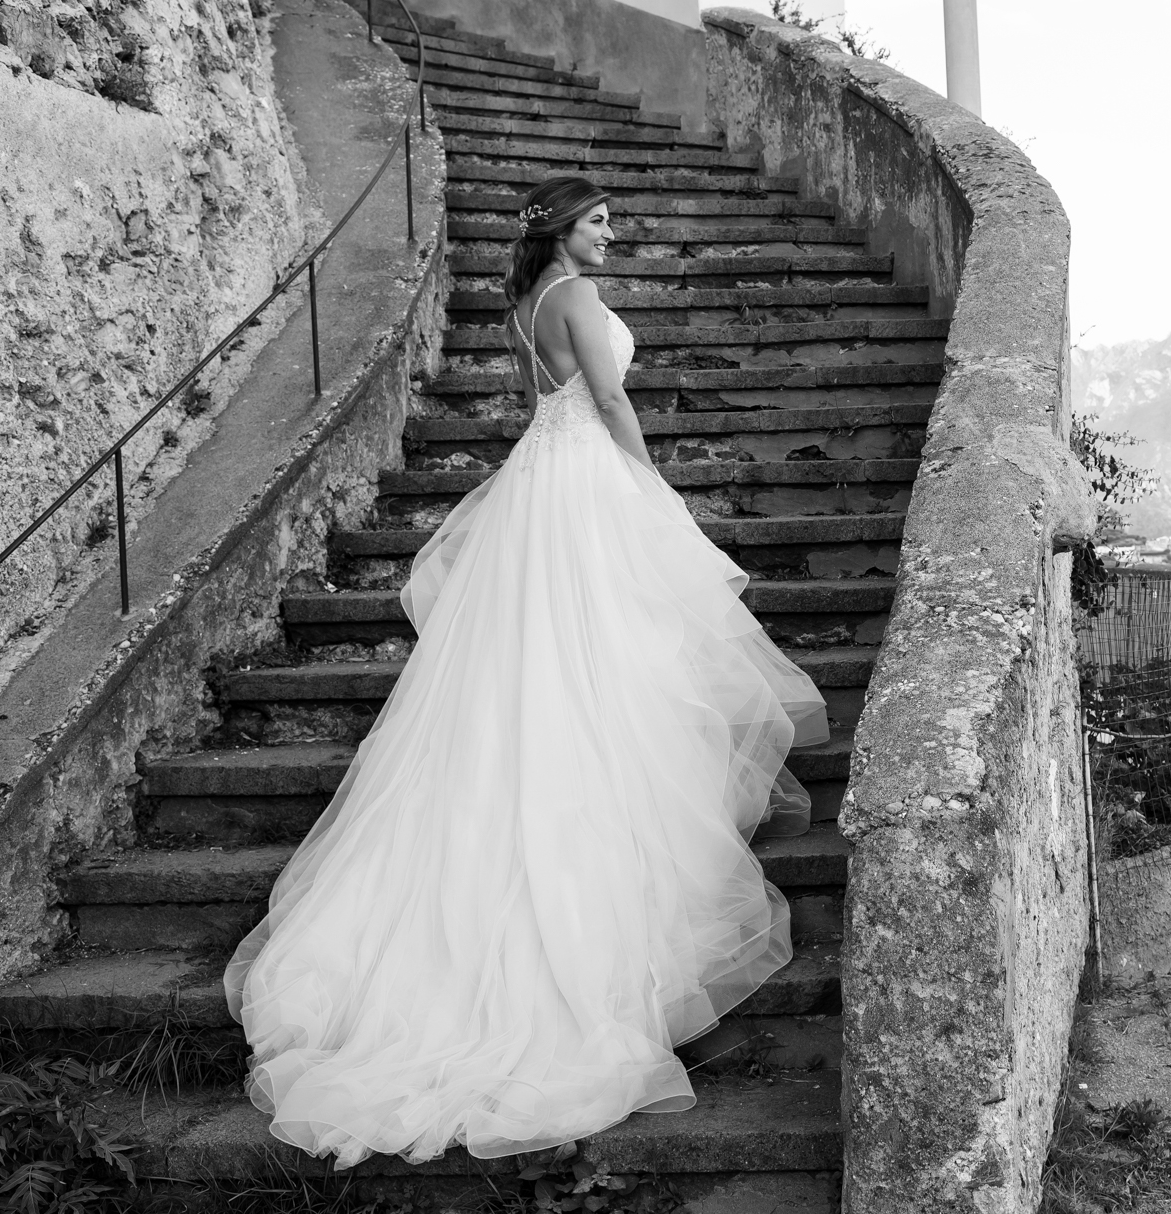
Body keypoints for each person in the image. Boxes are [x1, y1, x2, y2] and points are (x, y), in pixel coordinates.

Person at [223, 176, 829, 1166]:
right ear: (560, 227)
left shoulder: (526, 301)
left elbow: (546, 402)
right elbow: (609, 400)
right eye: (597, 219)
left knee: (543, 676)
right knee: (601, 671)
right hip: (586, 487)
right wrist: (651, 496)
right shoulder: (578, 299)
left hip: (540, 487)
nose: (612, 231)